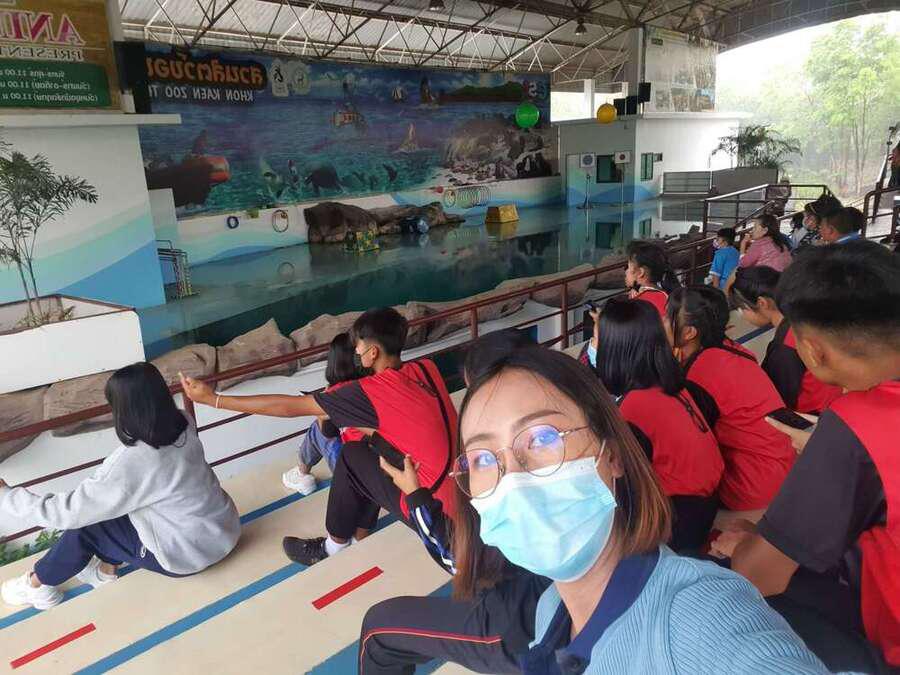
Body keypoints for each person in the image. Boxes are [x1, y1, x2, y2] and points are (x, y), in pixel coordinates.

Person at [447, 346, 827, 673]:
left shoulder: (695, 617)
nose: (514, 478)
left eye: (542, 438)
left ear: (612, 456)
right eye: (482, 459)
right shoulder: (552, 610)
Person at [712, 242, 900, 673]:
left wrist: (744, 543)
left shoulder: (858, 424)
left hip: (888, 642)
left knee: (722, 575)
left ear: (813, 350)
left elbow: (759, 574)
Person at [180, 307, 457, 567]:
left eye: (359, 345)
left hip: (433, 511)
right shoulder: (426, 369)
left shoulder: (368, 392)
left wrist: (214, 400)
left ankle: (332, 546)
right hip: (460, 490)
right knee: (363, 450)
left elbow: (288, 407)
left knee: (350, 456)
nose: (356, 351)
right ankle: (360, 534)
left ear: (373, 352)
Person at [359, 329, 550, 675]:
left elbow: (462, 562)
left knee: (378, 628)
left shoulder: (506, 475)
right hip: (557, 599)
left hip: (524, 626)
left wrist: (416, 495)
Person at [0, 363, 240, 611]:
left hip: (188, 555)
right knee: (110, 512)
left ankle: (37, 584)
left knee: (86, 527)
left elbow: (66, 513)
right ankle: (104, 571)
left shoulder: (133, 461)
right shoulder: (182, 421)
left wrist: (6, 496)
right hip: (223, 530)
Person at [594, 298, 723, 551]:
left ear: (615, 349)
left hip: (681, 521)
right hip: (707, 501)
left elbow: (623, 484)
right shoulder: (672, 385)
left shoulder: (634, 407)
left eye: (599, 340)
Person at [665, 286, 795, 513]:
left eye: (668, 317)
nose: (661, 322)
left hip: (751, 482)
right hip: (782, 467)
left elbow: (691, 445)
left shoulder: (700, 377)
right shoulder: (733, 349)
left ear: (689, 333)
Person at [731, 266, 842, 414]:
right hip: (838, 399)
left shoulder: (785, 347)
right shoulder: (808, 313)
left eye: (742, 309)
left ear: (762, 303)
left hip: (814, 416)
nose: (743, 315)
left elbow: (778, 399)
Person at [282, 332, 364, 495]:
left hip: (357, 470)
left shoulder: (336, 392)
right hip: (388, 456)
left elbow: (327, 431)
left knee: (318, 430)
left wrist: (322, 406)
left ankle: (302, 473)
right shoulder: (379, 379)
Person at [623, 239, 680, 318]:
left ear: (640, 272)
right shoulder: (663, 295)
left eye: (628, 267)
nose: (626, 271)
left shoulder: (640, 303)